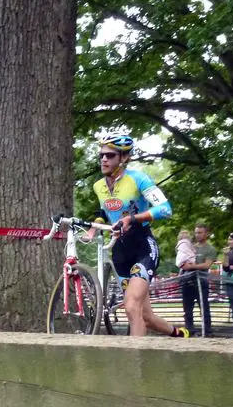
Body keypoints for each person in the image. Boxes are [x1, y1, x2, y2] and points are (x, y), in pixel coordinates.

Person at [88, 134, 189, 338]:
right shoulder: (98, 186)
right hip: (120, 251)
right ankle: (180, 334)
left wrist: (132, 219)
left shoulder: (139, 179)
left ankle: (133, 364)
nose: (104, 160)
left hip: (142, 246)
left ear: (124, 158)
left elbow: (165, 209)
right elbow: (103, 213)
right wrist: (93, 228)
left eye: (110, 155)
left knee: (131, 305)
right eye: (101, 156)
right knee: (145, 315)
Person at [180, 223, 216, 337]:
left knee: (204, 307)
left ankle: (207, 331)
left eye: (200, 232)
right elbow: (182, 261)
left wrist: (192, 267)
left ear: (206, 233)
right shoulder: (190, 247)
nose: (197, 235)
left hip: (201, 282)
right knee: (187, 308)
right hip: (187, 281)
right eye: (196, 232)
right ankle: (189, 330)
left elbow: (207, 265)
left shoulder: (210, 249)